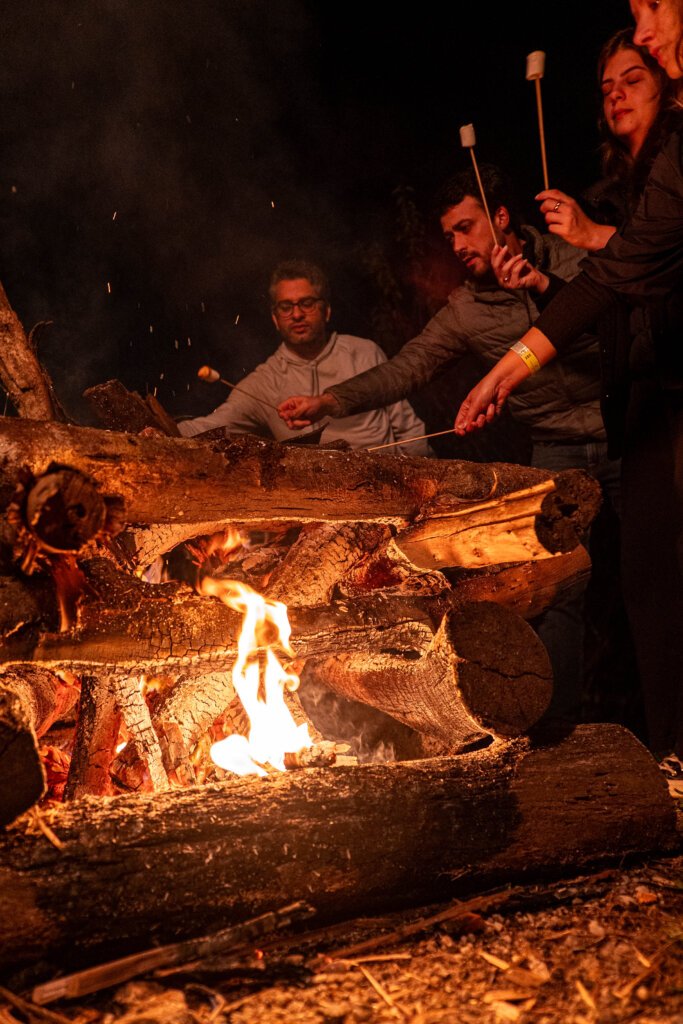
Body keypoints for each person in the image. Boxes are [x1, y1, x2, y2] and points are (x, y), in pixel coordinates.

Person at [278, 165, 619, 722]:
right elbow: (407, 367)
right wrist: (331, 401)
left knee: (653, 578)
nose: (457, 245)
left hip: (627, 433)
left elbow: (617, 327)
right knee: (559, 596)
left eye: (465, 228)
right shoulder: (466, 309)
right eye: (449, 236)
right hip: (555, 452)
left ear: (501, 217)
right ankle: (557, 730)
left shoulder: (570, 255)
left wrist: (541, 284)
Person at [455, 0, 683, 771]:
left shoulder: (667, 162)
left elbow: (631, 269)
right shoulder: (634, 176)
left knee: (660, 584)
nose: (643, 32)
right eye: (605, 84)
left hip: (667, 402)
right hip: (641, 402)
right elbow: (610, 305)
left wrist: (513, 360)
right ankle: (670, 755)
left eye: (633, 76)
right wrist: (544, 295)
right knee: (645, 588)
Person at [177, 259, 431, 456]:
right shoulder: (265, 381)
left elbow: (408, 429)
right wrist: (161, 428)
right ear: (275, 318)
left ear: (326, 310)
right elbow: (211, 425)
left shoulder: (364, 352)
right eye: (286, 307)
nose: (297, 314)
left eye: (307, 303)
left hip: (386, 485)